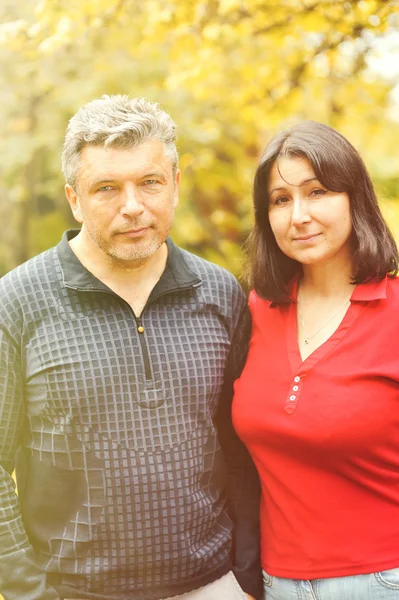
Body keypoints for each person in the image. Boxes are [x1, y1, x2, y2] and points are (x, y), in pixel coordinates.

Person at [0, 95, 262, 600]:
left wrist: (246, 575)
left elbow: (242, 450)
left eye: (149, 182)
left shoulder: (221, 294)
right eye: (106, 188)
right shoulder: (18, 301)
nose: (133, 206)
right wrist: (31, 593)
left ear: (176, 185)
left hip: (213, 585)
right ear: (74, 198)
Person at [232, 120, 399, 600]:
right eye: (281, 200)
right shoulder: (255, 312)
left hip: (383, 579)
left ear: (355, 199)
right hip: (275, 582)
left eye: (317, 191)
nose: (298, 215)